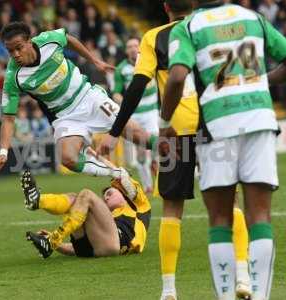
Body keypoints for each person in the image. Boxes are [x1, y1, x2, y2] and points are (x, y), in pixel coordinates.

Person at [97, 1, 250, 299]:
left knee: (171, 209)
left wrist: (115, 133)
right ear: (192, 5)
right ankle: (243, 276)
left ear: (165, 6)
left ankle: (169, 290)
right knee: (231, 202)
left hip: (174, 133)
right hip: (215, 125)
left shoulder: (153, 37)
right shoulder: (209, 29)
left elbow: (137, 86)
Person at [161, 1, 286, 299]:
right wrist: (263, 79)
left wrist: (165, 122)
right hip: (260, 120)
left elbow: (176, 77)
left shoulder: (188, 27)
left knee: (220, 219)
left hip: (217, 125)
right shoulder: (254, 18)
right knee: (260, 215)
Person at [0, 22, 156, 178]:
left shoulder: (49, 40)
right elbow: (8, 118)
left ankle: (173, 152)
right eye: (10, 51)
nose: (15, 55)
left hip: (88, 97)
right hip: (65, 115)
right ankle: (117, 174)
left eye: (18, 48)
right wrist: (3, 151)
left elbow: (69, 39)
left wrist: (95, 60)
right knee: (68, 158)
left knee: (141, 137)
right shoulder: (14, 77)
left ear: (29, 41)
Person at [23, 149, 151, 258]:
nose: (105, 198)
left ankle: (53, 240)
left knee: (86, 195)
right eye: (105, 196)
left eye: (110, 193)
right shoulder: (108, 220)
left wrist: (96, 155)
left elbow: (123, 177)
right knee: (76, 199)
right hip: (92, 248)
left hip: (116, 244)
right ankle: (37, 201)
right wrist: (60, 247)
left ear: (123, 194)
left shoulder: (139, 205)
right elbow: (76, 249)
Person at [112, 37, 159, 193]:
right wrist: (125, 102)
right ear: (126, 50)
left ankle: (154, 163)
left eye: (135, 45)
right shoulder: (121, 69)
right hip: (134, 116)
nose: (132, 48)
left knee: (156, 144)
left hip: (152, 112)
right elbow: (116, 93)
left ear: (140, 47)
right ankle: (148, 187)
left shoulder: (150, 60)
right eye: (129, 46)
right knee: (140, 154)